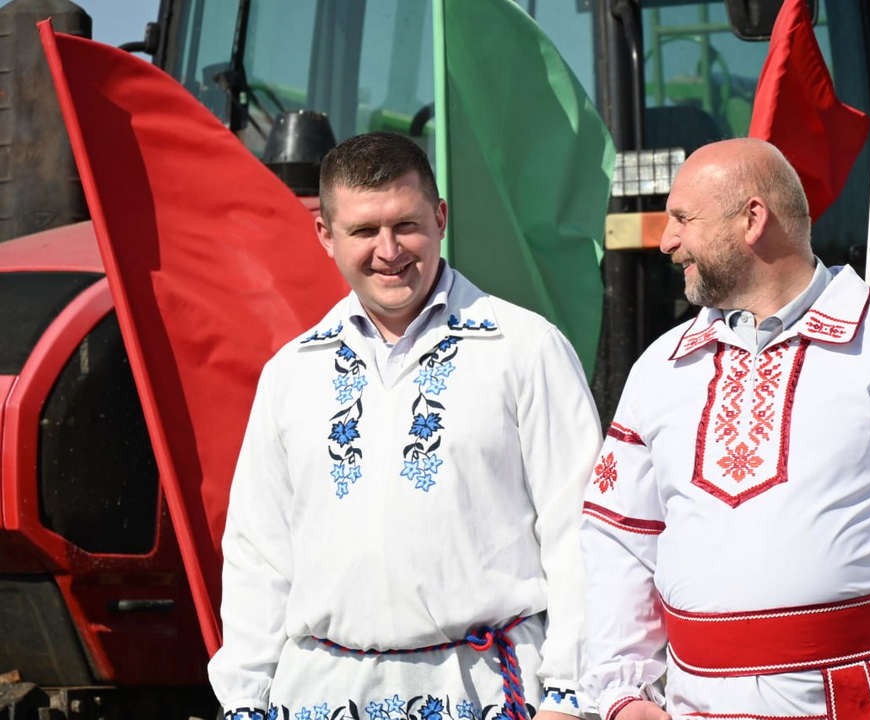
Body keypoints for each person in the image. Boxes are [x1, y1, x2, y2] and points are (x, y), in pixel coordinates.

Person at [578, 138, 870, 720]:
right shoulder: (658, 367)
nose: (666, 241)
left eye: (683, 218)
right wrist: (620, 693)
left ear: (752, 219)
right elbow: (616, 538)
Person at [208, 132, 601, 720]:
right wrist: (244, 700)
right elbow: (257, 554)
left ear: (440, 218)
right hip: (317, 695)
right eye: (364, 231)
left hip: (487, 691)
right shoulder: (291, 372)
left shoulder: (525, 348)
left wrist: (569, 695)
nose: (388, 250)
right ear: (326, 236)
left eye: (406, 225)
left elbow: (580, 529)